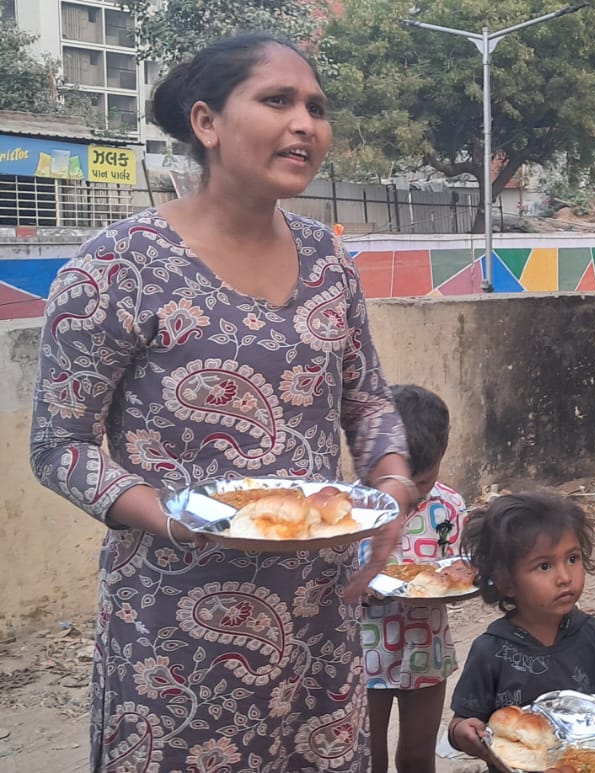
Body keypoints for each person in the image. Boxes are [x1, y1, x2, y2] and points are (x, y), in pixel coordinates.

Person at [28, 34, 417, 772]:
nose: (306, 123)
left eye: (317, 108)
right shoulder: (116, 268)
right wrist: (174, 518)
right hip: (174, 627)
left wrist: (392, 489)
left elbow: (366, 401)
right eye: (278, 101)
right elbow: (61, 446)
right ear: (207, 123)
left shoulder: (330, 261)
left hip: (318, 620)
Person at [447, 491, 595, 759]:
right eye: (544, 566)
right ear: (505, 582)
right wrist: (463, 733)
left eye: (572, 559)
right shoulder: (490, 650)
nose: (564, 577)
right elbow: (461, 723)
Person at [362, 385, 469, 773]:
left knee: (417, 758)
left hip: (428, 649)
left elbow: (460, 570)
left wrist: (457, 585)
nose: (411, 494)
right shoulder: (355, 507)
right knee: (366, 757)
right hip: (366, 654)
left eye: (422, 483)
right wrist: (365, 588)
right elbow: (334, 583)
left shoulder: (451, 508)